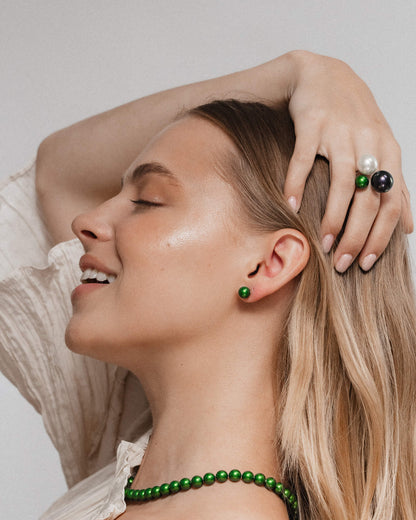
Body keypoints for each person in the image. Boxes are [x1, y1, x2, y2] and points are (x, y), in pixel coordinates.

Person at [0, 51, 413, 519]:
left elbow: (58, 179)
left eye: (148, 200)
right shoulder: (129, 463)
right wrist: (303, 72)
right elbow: (58, 175)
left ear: (269, 264)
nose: (86, 221)